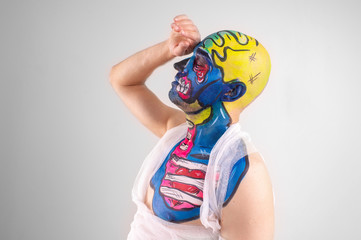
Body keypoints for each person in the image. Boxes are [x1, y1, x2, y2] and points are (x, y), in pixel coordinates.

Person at [109, 15, 274, 240]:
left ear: (231, 91)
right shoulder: (175, 131)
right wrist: (168, 49)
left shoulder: (241, 170)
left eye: (199, 64)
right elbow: (122, 80)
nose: (180, 67)